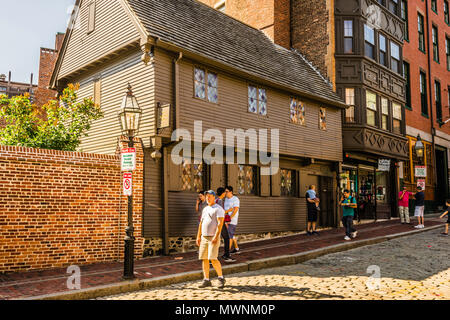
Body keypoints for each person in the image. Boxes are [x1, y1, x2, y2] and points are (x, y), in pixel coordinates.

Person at [196, 190, 226, 288]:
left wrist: (216, 237)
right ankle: (206, 280)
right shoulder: (205, 209)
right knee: (204, 259)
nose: (208, 198)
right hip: (204, 237)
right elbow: (201, 223)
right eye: (207, 196)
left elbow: (220, 224)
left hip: (213, 237)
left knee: (213, 258)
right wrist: (198, 236)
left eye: (210, 196)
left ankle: (221, 278)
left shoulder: (218, 209)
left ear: (214, 197)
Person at [216, 187, 235, 262]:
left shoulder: (216, 200)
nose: (225, 194)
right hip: (220, 222)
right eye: (225, 192)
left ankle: (213, 257)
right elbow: (221, 212)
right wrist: (229, 210)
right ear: (223, 193)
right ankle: (226, 255)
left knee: (217, 239)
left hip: (216, 222)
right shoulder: (220, 201)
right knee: (226, 238)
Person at [224, 186, 241, 254]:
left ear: (231, 192)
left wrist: (229, 219)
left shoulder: (235, 199)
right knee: (231, 234)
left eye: (227, 191)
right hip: (226, 220)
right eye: (225, 191)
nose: (225, 193)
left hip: (232, 220)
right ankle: (236, 249)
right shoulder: (226, 199)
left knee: (229, 236)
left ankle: (227, 254)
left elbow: (235, 209)